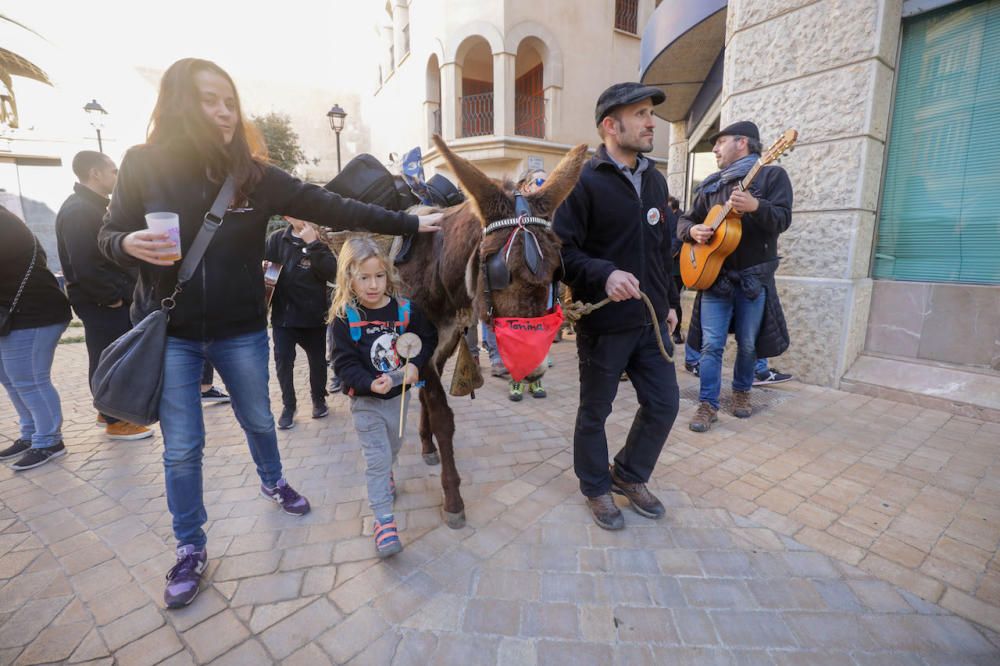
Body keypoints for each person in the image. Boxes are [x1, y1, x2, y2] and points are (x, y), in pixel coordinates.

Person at [98, 57, 442, 608]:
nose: (224, 111)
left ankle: (273, 478)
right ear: (181, 104)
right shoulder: (143, 164)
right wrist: (124, 244)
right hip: (174, 333)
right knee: (183, 447)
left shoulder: (252, 174)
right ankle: (190, 547)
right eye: (210, 99)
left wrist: (406, 222)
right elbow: (109, 232)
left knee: (258, 416)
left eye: (230, 100)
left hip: (240, 331)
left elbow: (329, 203)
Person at [554, 82, 680, 531]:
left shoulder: (656, 179)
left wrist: (670, 304)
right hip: (605, 323)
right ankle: (594, 486)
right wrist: (604, 273)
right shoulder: (583, 182)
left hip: (650, 322)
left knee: (665, 403)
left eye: (651, 113)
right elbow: (562, 253)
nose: (651, 123)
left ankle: (628, 474)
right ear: (611, 125)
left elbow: (664, 251)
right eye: (641, 113)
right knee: (596, 411)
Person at [677, 120, 792, 432]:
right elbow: (684, 220)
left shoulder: (771, 175)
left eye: (720, 142)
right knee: (711, 345)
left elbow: (782, 218)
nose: (714, 149)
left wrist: (756, 205)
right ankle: (707, 404)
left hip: (752, 280)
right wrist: (693, 230)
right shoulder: (713, 184)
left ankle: (741, 392)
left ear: (742, 143)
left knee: (748, 343)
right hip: (715, 278)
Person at [330, 237, 436, 557]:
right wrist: (367, 383)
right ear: (349, 277)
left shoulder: (405, 310)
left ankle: (388, 470)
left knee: (393, 446)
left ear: (388, 275)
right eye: (364, 277)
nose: (373, 285)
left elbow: (426, 339)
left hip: (399, 398)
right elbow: (343, 363)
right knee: (376, 459)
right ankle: (384, 520)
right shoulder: (345, 317)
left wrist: (416, 365)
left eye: (379, 276)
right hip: (366, 401)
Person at [55, 151, 153, 441]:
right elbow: (85, 264)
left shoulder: (91, 206)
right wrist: (112, 297)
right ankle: (116, 419)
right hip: (103, 301)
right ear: (95, 174)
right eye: (113, 171)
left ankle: (106, 409)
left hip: (106, 298)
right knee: (110, 357)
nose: (117, 175)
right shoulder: (81, 210)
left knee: (106, 353)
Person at [0, 206, 72, 470]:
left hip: (34, 313)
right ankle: (31, 433)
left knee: (29, 380)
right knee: (10, 379)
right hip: (13, 315)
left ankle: (49, 441)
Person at [264, 216, 337, 429]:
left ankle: (318, 399)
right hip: (283, 317)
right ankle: (289, 405)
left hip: (313, 315)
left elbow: (331, 271)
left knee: (317, 361)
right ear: (287, 215)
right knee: (283, 362)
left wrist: (313, 243)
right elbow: (267, 274)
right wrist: (263, 303)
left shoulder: (321, 238)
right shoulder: (277, 239)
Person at [506, 167, 550, 401]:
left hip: (543, 280)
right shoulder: (515, 208)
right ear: (526, 186)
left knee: (539, 334)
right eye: (540, 180)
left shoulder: (549, 210)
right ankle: (516, 380)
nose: (544, 184)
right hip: (518, 281)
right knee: (517, 333)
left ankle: (536, 380)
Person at [667, 195, 686, 346]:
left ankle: (677, 331)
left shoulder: (681, 218)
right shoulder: (668, 217)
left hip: (677, 268)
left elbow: (677, 241)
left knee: (675, 300)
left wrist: (666, 257)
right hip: (669, 266)